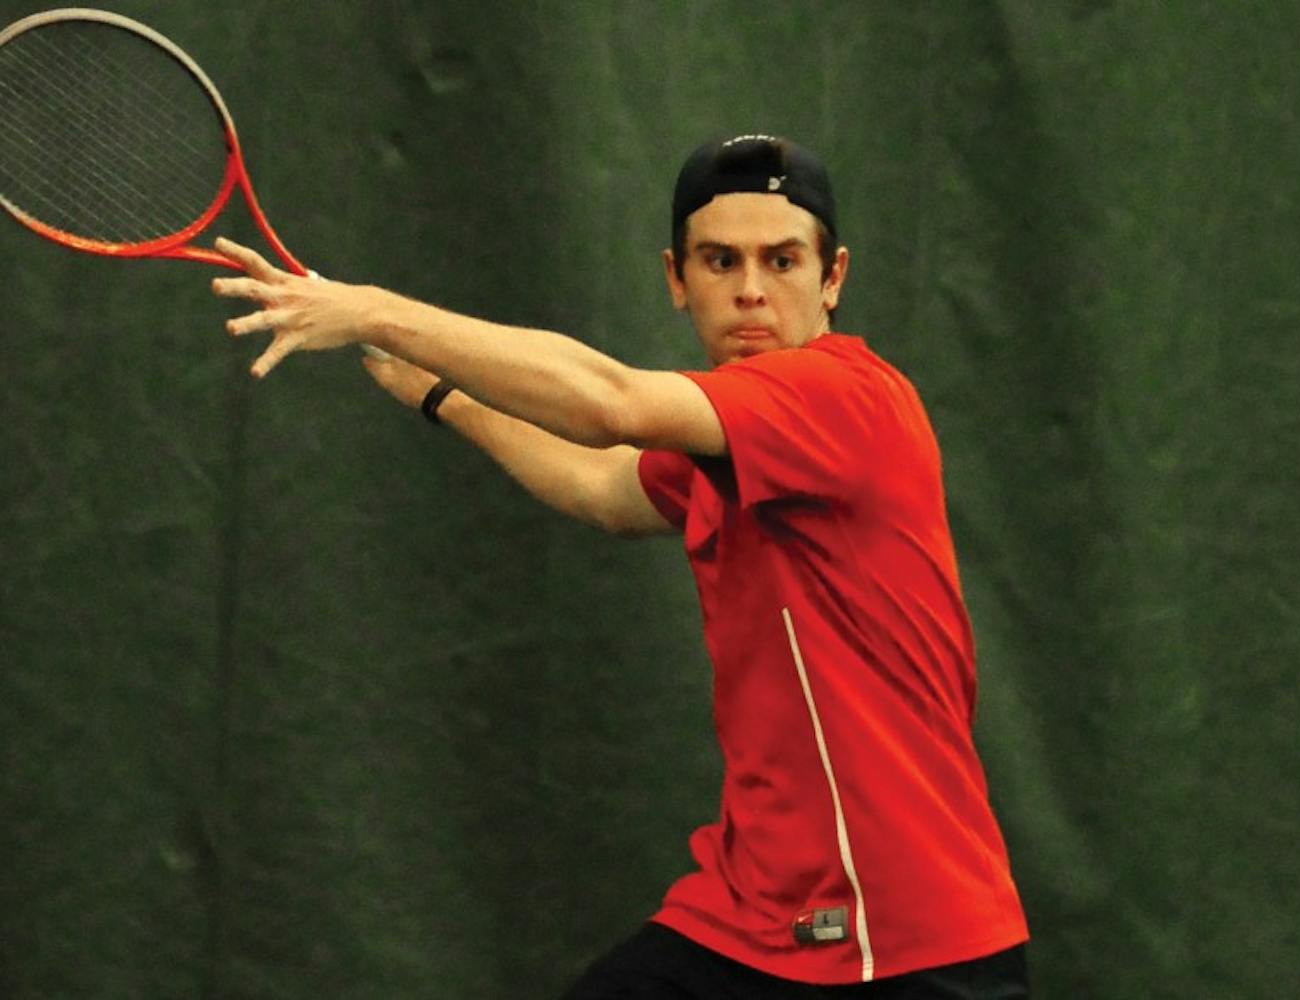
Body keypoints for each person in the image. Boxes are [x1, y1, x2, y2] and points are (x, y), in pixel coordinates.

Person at [211, 135, 1030, 998]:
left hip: (902, 940)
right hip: (758, 917)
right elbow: (601, 486)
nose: (751, 288)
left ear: (833, 279)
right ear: (678, 279)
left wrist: (372, 309)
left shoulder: (844, 398)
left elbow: (613, 404)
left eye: (781, 260)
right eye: (721, 261)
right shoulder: (728, 438)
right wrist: (440, 394)